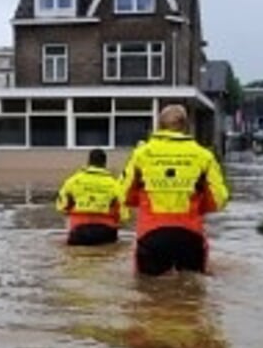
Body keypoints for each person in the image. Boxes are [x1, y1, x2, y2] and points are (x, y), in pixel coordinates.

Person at [121, 104, 230, 276]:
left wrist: (142, 200)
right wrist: (198, 206)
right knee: (194, 294)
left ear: (159, 125)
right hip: (190, 235)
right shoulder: (204, 155)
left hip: (151, 234)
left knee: (146, 295)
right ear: (186, 127)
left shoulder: (141, 154)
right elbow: (219, 199)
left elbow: (123, 194)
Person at [56, 148, 129, 245]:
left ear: (88, 162)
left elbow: (61, 207)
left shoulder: (73, 181)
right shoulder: (115, 185)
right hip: (106, 232)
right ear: (104, 164)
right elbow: (124, 215)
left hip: (79, 231)